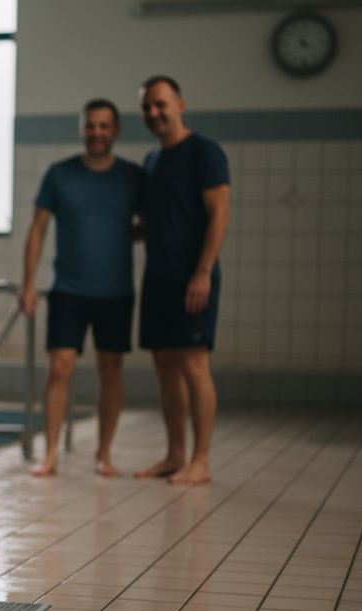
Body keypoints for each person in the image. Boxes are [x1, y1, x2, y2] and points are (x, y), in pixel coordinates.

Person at [20, 98, 143, 478]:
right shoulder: (60, 174)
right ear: (82, 129)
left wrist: (120, 236)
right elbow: (37, 228)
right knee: (60, 367)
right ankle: (51, 453)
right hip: (69, 289)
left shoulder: (132, 177)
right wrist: (28, 284)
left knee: (111, 369)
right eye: (91, 126)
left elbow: (152, 223)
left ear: (116, 131)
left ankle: (103, 454)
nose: (97, 133)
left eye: (104, 126)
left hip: (116, 290)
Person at [134, 75, 230, 485]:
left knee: (194, 363)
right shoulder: (152, 160)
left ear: (180, 104)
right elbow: (152, 222)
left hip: (194, 276)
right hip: (158, 276)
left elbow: (219, 213)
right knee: (164, 366)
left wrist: (203, 271)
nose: (154, 113)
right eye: (147, 107)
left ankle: (201, 461)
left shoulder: (204, 152)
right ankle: (175, 455)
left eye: (160, 104)